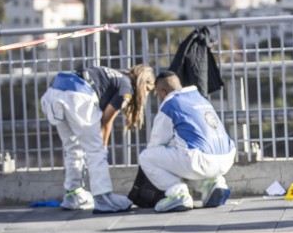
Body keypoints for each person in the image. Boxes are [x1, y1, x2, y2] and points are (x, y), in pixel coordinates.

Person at [40, 64, 155, 213]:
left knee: (73, 148)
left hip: (56, 91)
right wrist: (103, 146)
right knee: (96, 151)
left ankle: (73, 195)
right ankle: (103, 198)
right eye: (147, 90)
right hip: (78, 96)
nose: (145, 95)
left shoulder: (115, 75)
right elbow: (107, 120)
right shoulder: (127, 88)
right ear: (144, 82)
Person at [139, 70, 236, 212]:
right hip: (227, 157)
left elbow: (156, 143)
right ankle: (214, 183)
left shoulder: (170, 104)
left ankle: (178, 194)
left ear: (162, 92)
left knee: (147, 157)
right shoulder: (200, 98)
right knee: (185, 146)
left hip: (199, 161)